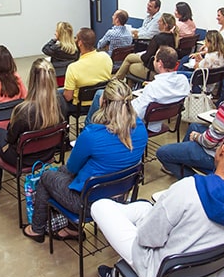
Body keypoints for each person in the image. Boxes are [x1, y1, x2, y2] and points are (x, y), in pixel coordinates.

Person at [93, 133, 224, 277]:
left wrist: (145, 225)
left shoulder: (188, 189)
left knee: (100, 206)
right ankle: (124, 268)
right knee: (146, 208)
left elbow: (146, 239)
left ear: (222, 150)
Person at [22, 80, 147, 242]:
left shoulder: (92, 134)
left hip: (89, 203)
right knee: (61, 173)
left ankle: (37, 229)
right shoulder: (141, 129)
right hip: (119, 196)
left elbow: (72, 167)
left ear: (104, 102)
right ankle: (71, 228)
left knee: (46, 177)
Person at [0, 59, 64, 190]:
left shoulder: (23, 111)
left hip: (23, 159)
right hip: (48, 154)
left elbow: (10, 138)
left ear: (32, 80)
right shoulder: (60, 104)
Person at [129, 46, 191, 132]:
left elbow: (138, 114)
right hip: (161, 119)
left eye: (155, 58)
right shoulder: (183, 80)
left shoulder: (153, 87)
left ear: (159, 63)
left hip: (144, 125)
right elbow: (168, 91)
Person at [60, 28, 112, 117]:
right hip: (101, 100)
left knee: (57, 95)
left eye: (76, 38)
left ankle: (63, 127)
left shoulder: (73, 67)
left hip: (80, 106)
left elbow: (68, 97)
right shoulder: (106, 57)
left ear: (80, 43)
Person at [113, 13, 178, 83]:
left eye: (160, 21)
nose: (157, 23)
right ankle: (118, 82)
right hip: (163, 68)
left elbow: (146, 58)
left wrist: (141, 55)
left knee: (130, 65)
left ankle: (115, 81)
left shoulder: (157, 38)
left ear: (165, 25)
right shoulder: (173, 37)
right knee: (130, 57)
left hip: (152, 70)